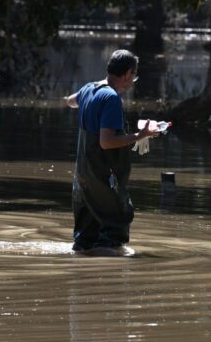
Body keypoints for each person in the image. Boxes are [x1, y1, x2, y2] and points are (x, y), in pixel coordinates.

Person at [64, 49, 159, 255]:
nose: (133, 80)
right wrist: (140, 135)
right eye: (134, 76)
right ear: (127, 74)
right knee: (115, 228)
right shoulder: (111, 99)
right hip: (102, 176)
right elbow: (106, 142)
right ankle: (109, 279)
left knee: (85, 240)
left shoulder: (90, 89)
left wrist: (87, 101)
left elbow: (70, 101)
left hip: (83, 178)